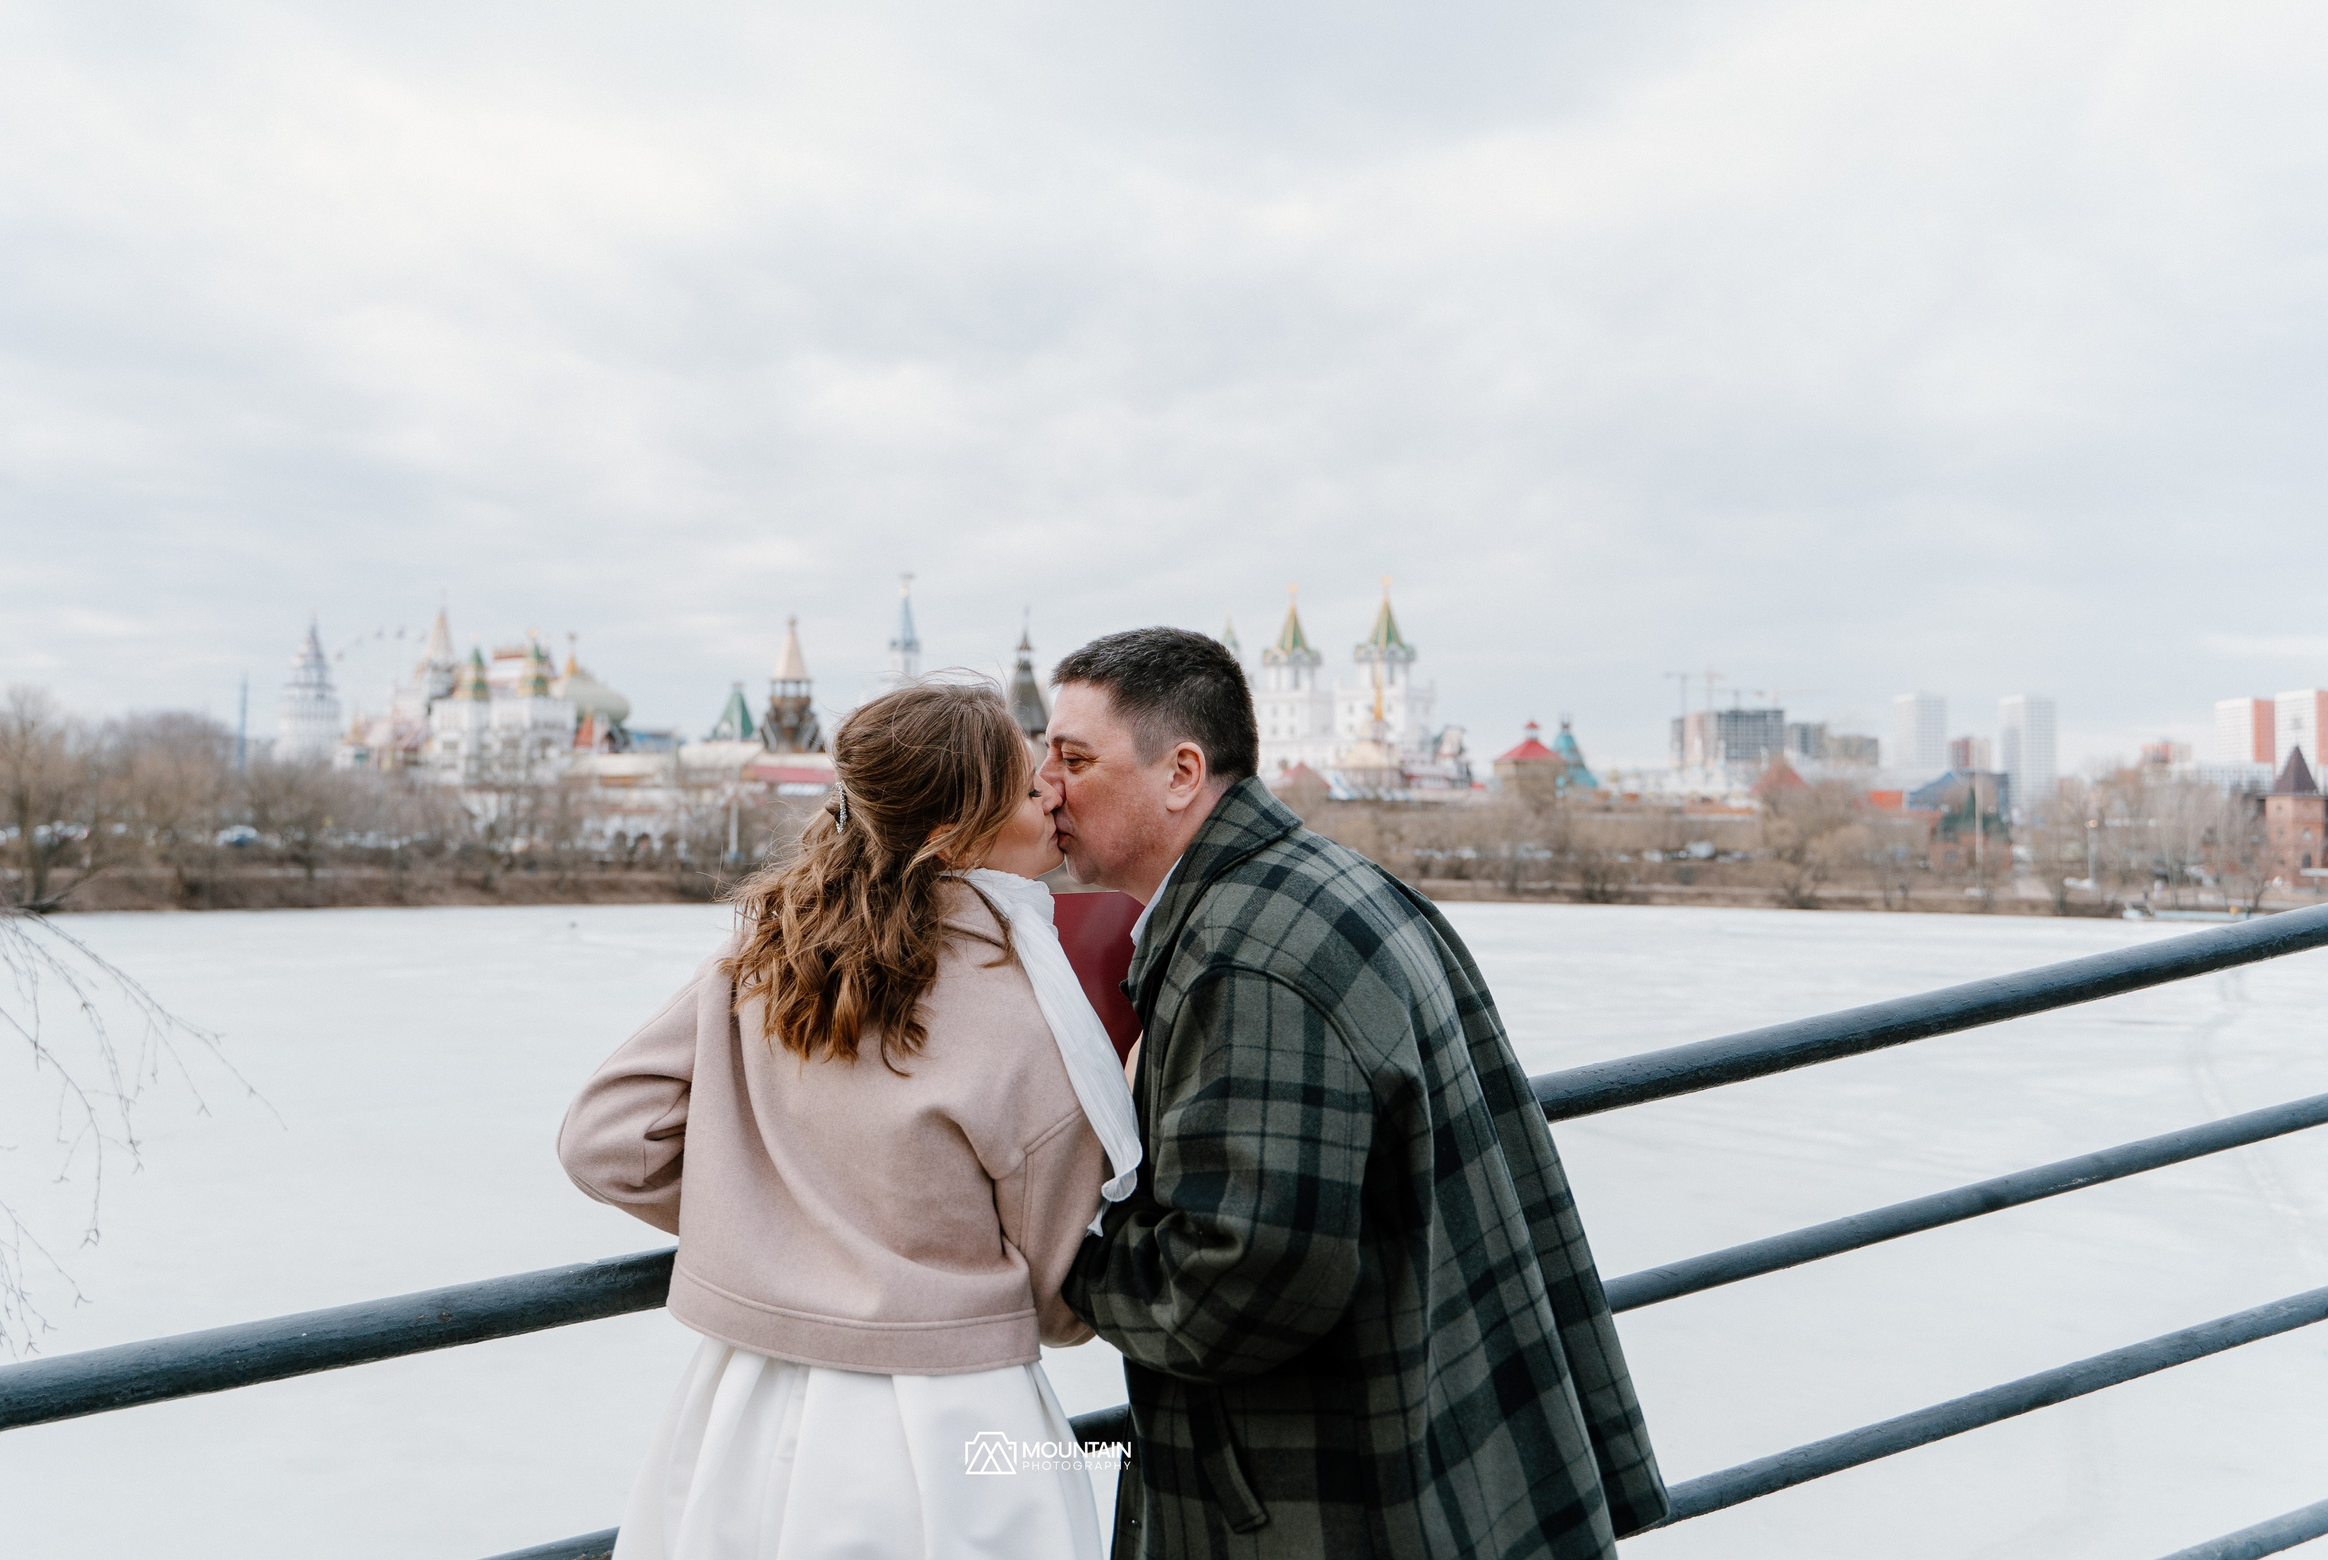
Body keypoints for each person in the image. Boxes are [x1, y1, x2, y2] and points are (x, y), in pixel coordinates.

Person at [1041, 628, 1669, 1560]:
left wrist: (1066, 1261)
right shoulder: (1329, 883)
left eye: (1075, 757)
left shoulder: (1247, 958)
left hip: (1339, 1497)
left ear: (1182, 772)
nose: (1047, 785)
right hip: (1440, 1453)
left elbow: (1236, 1286)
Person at [558, 680, 1140, 1560]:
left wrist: (780, 1222)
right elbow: (1062, 1300)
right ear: (954, 835)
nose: (1054, 795)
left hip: (744, 1407)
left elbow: (606, 1140)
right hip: (957, 1424)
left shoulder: (765, 957)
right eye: (1029, 789)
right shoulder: (1024, 1010)